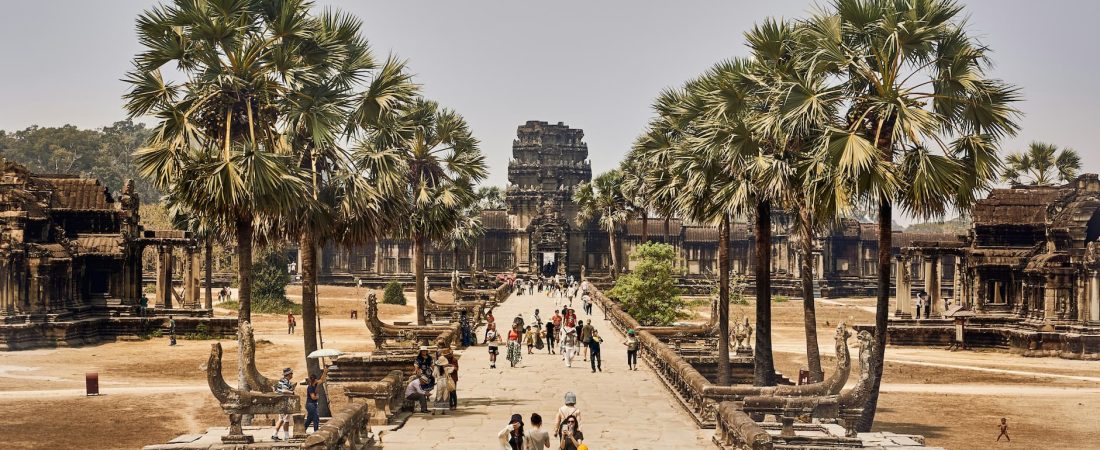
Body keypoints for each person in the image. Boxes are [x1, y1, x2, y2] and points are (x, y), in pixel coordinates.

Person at [271, 368, 295, 441]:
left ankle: (274, 435)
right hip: (284, 403)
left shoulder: (285, 381)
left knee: (281, 419)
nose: (292, 375)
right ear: (288, 374)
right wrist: (292, 392)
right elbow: (284, 390)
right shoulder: (284, 381)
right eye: (291, 373)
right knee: (286, 420)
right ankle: (286, 437)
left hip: (282, 402)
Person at [304, 366, 329, 432]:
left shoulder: (315, 384)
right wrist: (317, 396)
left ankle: (303, 429)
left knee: (309, 418)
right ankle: (316, 431)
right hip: (310, 404)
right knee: (316, 418)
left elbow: (322, 380)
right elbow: (313, 397)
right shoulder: (310, 387)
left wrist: (325, 372)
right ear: (315, 380)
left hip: (312, 404)